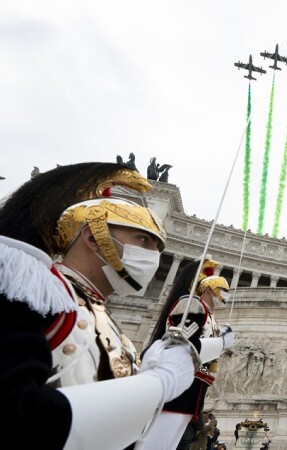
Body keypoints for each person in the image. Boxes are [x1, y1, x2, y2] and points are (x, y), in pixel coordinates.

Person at [0, 162, 196, 449]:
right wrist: (158, 383)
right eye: (143, 240)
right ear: (93, 238)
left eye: (157, 248)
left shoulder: (103, 318)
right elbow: (16, 416)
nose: (153, 257)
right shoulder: (30, 291)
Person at [137, 258, 236, 450]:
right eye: (223, 290)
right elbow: (184, 345)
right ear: (209, 289)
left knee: (173, 441)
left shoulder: (210, 316)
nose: (226, 296)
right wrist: (222, 343)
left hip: (194, 390)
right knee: (158, 442)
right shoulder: (192, 307)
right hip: (178, 388)